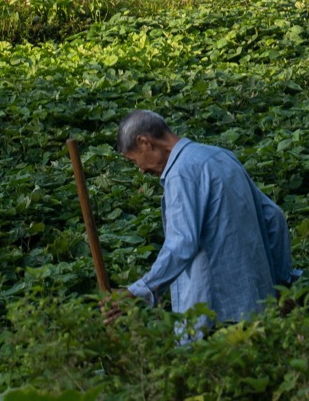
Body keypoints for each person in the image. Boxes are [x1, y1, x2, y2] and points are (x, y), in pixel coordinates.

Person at [114, 110, 294, 334]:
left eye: (134, 160)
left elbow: (181, 244)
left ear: (144, 142)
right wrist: (280, 285)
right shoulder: (220, 156)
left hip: (215, 317)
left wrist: (139, 290)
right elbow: (274, 217)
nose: (140, 169)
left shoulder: (180, 174)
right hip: (256, 306)